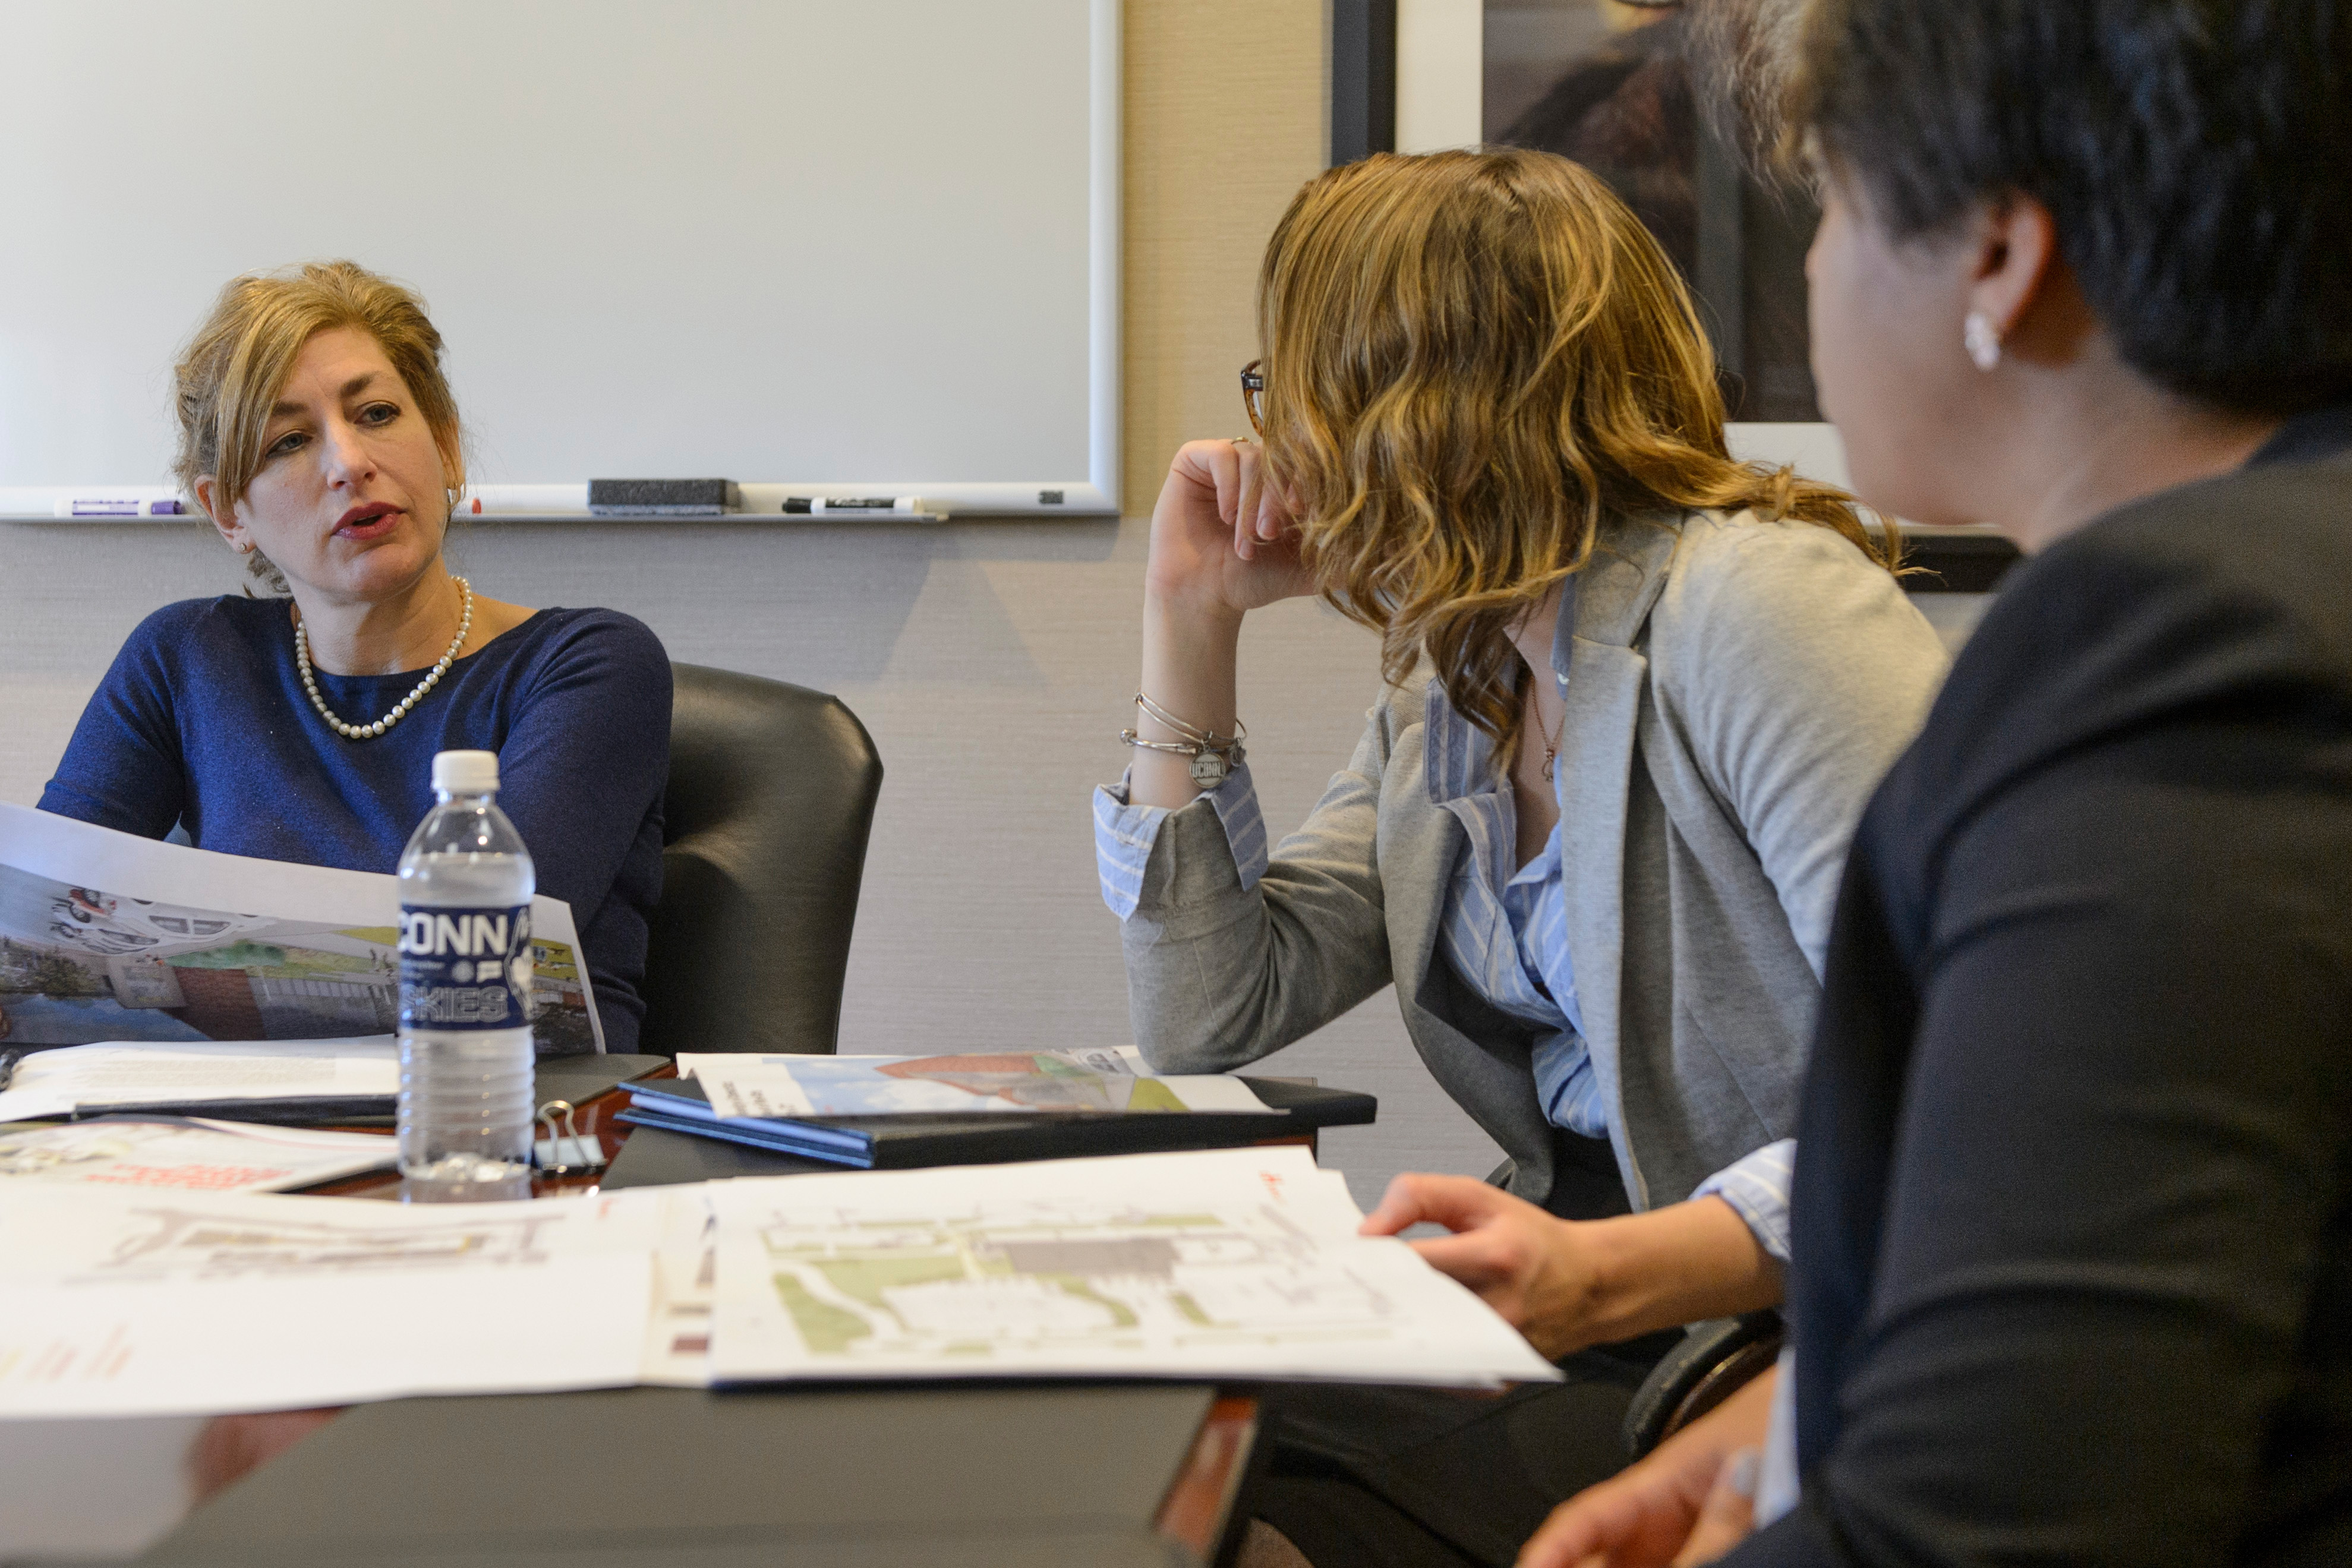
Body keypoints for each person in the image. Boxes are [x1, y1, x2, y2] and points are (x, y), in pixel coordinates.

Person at [1385, 2, 2352, 1563]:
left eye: (1827, 200)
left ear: (1990, 256)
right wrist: (1779, 1434)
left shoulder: (2185, 653)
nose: (1810, 265)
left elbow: (2009, 1515)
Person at [1095, 148, 1949, 1565]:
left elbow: (1957, 1085)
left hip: (1793, 1324)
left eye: (1285, 381)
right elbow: (1204, 1015)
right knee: (1153, 1428)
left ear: (1400, 396)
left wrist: (1609, 1274)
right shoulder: (1459, 671)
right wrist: (1187, 627)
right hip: (1592, 1296)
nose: (1275, 429)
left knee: (1212, 1473)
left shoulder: (1752, 609)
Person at [40, 261, 670, 1054]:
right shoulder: (185, 658)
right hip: (237, 1136)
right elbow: (43, 923)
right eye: (290, 441)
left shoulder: (588, 664)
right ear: (228, 511)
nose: (348, 463)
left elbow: (477, 967)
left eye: (376, 413)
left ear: (443, 445)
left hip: (511, 1125)